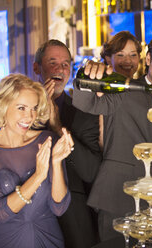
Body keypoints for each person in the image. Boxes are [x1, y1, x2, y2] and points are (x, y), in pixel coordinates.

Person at [72, 30, 152, 241]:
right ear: (149, 59)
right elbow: (85, 101)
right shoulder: (124, 90)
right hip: (120, 199)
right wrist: (88, 74)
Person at [33, 39, 102, 248]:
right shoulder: (19, 111)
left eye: (65, 64)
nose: (59, 70)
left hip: (73, 214)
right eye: (52, 62)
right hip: (30, 214)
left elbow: (91, 171)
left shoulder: (83, 113)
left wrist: (57, 128)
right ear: (36, 67)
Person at [0, 74, 72, 248]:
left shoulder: (47, 140)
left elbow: (59, 208)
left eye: (34, 108)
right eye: (21, 108)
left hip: (49, 238)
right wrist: (38, 176)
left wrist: (56, 162)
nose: (29, 117)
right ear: (3, 106)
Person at [98, 31, 142, 149]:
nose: (128, 61)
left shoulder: (142, 90)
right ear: (108, 59)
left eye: (133, 55)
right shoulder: (101, 91)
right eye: (120, 55)